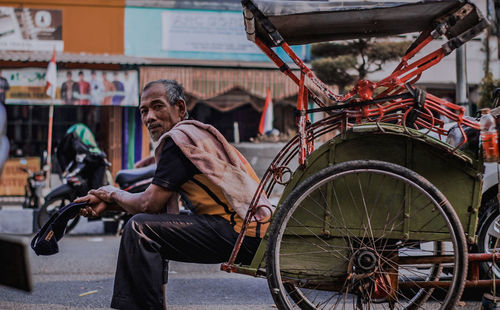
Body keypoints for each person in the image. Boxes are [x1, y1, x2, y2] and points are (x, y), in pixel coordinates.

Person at [75, 79, 271, 310]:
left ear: (179, 108)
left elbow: (149, 204)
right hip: (249, 230)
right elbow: (155, 206)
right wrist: (108, 204)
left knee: (140, 228)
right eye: (144, 111)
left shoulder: (178, 142)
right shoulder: (189, 135)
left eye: (157, 107)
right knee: (150, 227)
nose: (149, 117)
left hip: (242, 234)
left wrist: (113, 194)